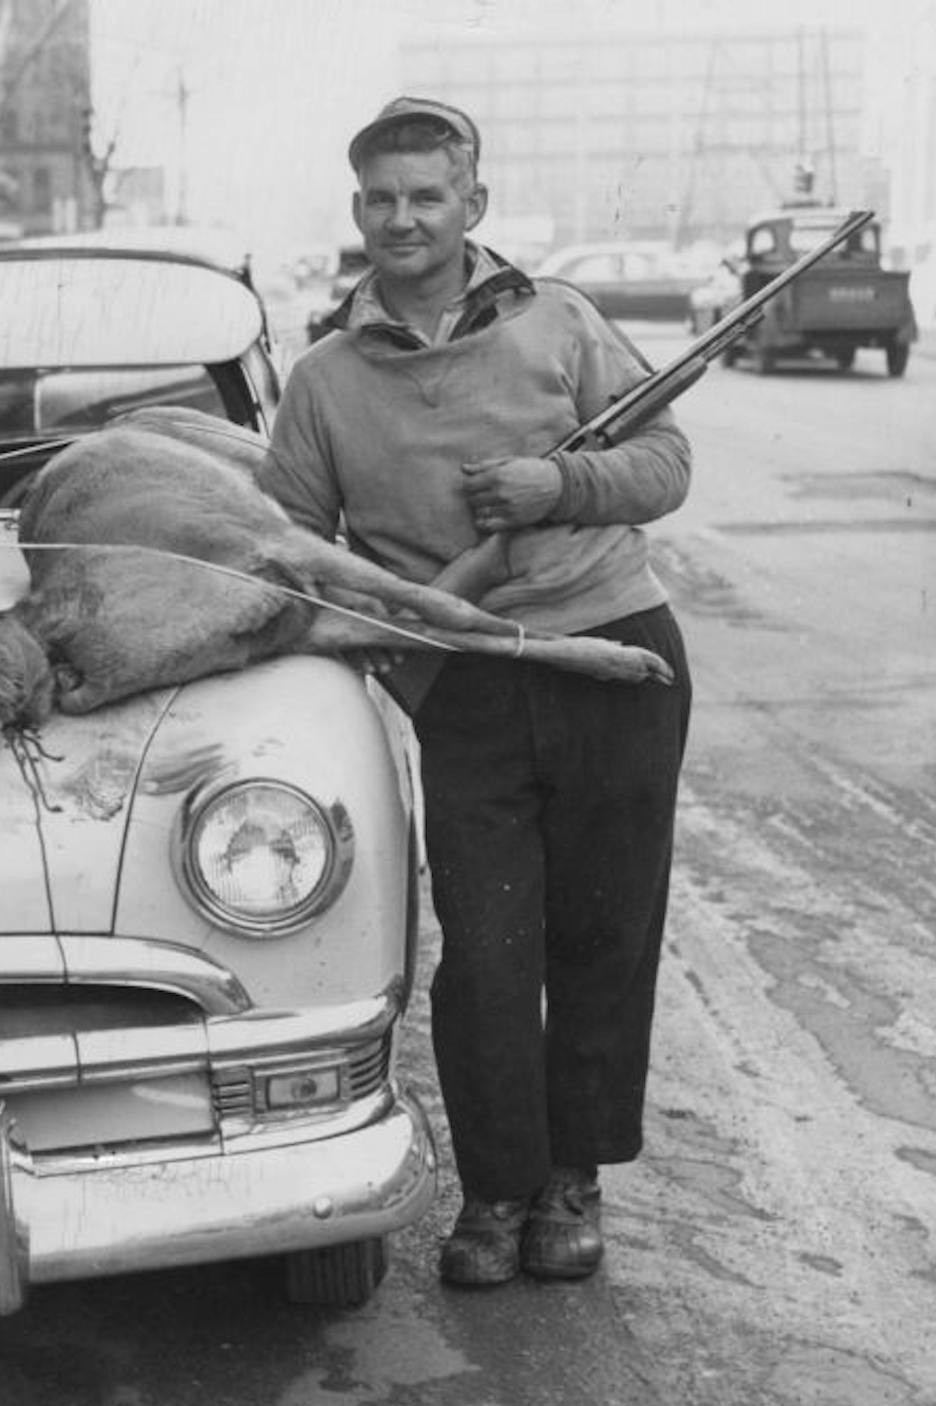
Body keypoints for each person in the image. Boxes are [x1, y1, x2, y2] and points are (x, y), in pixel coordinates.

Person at [260, 97, 693, 1288]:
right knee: (488, 954)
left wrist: (554, 486)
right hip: (467, 688)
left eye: (427, 197)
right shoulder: (324, 377)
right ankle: (494, 1192)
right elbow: (297, 548)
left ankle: (573, 1181)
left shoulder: (560, 320)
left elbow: (665, 463)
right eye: (383, 199)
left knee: (604, 933)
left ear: (473, 207)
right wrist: (400, 642)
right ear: (359, 213)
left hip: (617, 653)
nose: (405, 218)